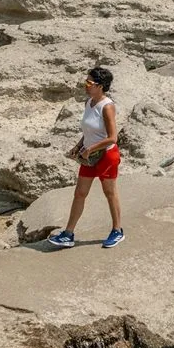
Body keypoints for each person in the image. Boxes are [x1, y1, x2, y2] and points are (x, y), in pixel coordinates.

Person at [48, 66, 124, 249]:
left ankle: (117, 230)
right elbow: (89, 131)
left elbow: (112, 138)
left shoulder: (107, 107)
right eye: (86, 81)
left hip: (106, 155)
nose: (86, 85)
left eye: (90, 82)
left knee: (109, 193)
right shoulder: (88, 102)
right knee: (80, 193)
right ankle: (68, 234)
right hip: (89, 155)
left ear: (100, 86)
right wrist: (79, 145)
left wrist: (90, 149)